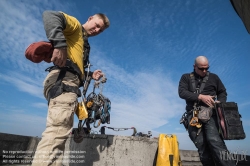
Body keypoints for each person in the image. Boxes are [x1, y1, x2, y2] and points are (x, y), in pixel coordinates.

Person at [32, 10, 110, 166]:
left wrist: (89, 75)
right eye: (96, 26)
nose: (96, 31)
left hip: (69, 82)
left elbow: (74, 64)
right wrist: (59, 45)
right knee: (57, 131)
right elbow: (50, 16)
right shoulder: (75, 26)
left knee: (61, 131)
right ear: (90, 18)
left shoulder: (82, 42)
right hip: (64, 81)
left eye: (100, 30)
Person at [178, 56, 236, 166]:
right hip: (193, 115)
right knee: (201, 146)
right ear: (194, 66)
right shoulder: (185, 77)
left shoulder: (214, 77)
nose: (204, 71)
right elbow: (182, 93)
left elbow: (222, 92)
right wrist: (200, 96)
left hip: (211, 114)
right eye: (201, 68)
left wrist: (221, 102)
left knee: (215, 142)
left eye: (207, 68)